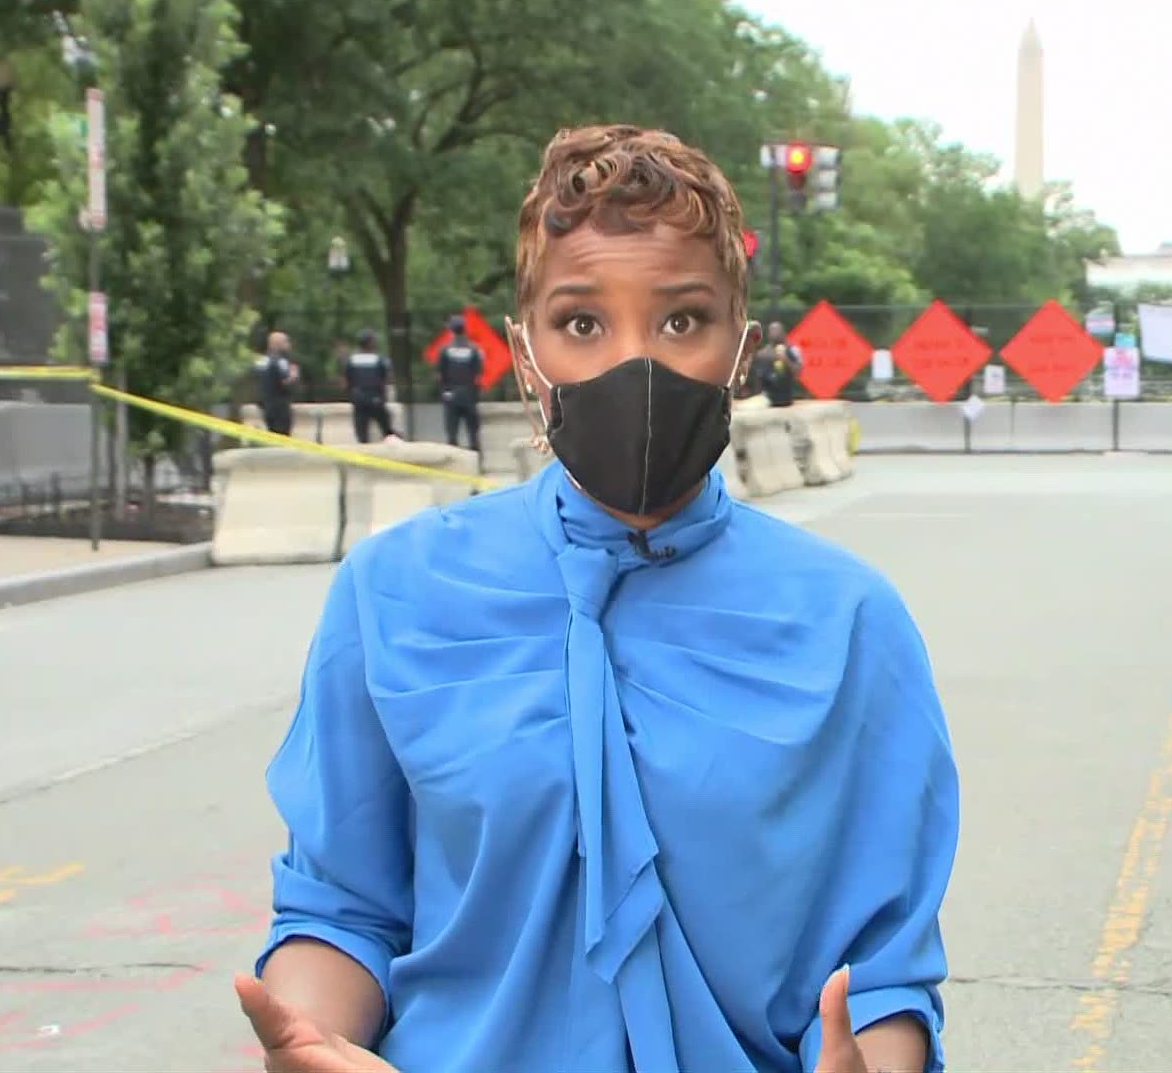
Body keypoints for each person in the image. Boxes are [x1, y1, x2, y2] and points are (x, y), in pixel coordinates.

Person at [233, 124, 959, 1073]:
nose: (637, 365)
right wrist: (314, 1044)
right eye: (582, 324)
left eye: (682, 321)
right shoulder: (396, 592)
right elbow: (345, 907)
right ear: (522, 352)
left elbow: (882, 969)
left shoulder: (851, 621)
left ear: (740, 349)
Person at [435, 314, 484, 451]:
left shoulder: (445, 350)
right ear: (465, 329)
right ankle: (475, 462)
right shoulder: (474, 350)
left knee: (452, 434)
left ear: (451, 330)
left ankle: (454, 464)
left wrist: (445, 391)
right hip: (469, 395)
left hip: (451, 395)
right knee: (473, 434)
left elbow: (440, 375)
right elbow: (478, 374)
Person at [343, 330, 396, 443]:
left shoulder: (352, 360)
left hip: (358, 400)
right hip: (376, 398)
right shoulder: (379, 359)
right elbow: (388, 377)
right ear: (370, 343)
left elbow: (347, 381)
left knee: (362, 434)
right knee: (388, 431)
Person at [254, 330, 300, 437]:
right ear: (277, 344)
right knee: (282, 438)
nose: (289, 345)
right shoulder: (280, 361)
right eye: (286, 342)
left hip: (265, 405)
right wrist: (294, 374)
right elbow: (285, 382)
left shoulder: (261, 360)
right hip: (280, 407)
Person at [759, 320, 804, 408]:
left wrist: (786, 359)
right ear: (768, 334)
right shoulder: (763, 353)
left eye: (778, 331)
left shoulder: (793, 350)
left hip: (787, 398)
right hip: (767, 399)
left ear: (783, 333)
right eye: (772, 331)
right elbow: (758, 378)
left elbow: (798, 372)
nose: (775, 333)